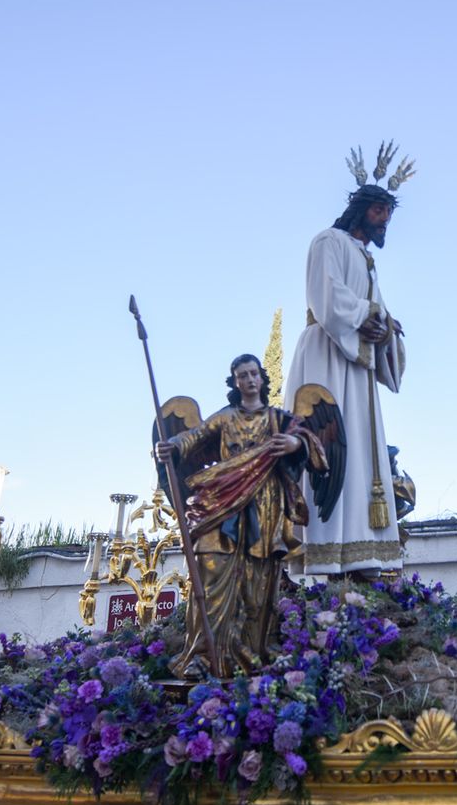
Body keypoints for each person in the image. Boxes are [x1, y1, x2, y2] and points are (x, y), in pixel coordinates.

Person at [155, 354, 334, 676]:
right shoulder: (225, 418)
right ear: (235, 382)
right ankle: (201, 656)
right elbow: (193, 436)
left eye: (253, 373)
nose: (249, 379)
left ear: (262, 378)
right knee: (210, 576)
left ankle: (251, 652)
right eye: (242, 375)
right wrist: (171, 445)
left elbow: (311, 443)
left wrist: (295, 443)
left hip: (264, 508)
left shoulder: (280, 419)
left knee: (257, 584)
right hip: (221, 506)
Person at [285, 144, 413, 577]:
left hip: (356, 365)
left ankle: (363, 553)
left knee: (361, 452)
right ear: (362, 210)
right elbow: (328, 298)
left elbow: (377, 310)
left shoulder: (368, 260)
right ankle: (325, 550)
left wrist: (386, 329)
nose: (385, 222)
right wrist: (367, 319)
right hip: (327, 353)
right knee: (330, 445)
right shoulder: (329, 241)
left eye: (388, 215)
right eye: (380, 213)